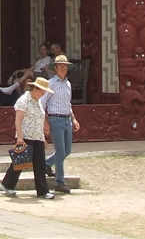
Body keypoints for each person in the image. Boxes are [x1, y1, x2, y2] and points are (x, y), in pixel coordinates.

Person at [0, 76, 55, 200]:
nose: (43, 94)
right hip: (25, 136)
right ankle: (7, 184)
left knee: (40, 164)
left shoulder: (38, 102)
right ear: (36, 88)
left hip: (37, 137)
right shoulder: (24, 100)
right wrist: (20, 137)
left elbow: (39, 120)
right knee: (20, 163)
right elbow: (18, 120)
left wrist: (43, 138)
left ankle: (42, 191)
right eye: (42, 91)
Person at [43, 54, 81, 193]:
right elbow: (42, 102)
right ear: (56, 68)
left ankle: (46, 164)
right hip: (55, 119)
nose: (63, 69)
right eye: (60, 66)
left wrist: (73, 118)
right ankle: (60, 182)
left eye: (64, 66)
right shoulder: (51, 83)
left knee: (67, 151)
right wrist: (45, 121)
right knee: (61, 151)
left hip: (66, 118)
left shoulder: (68, 84)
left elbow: (68, 103)